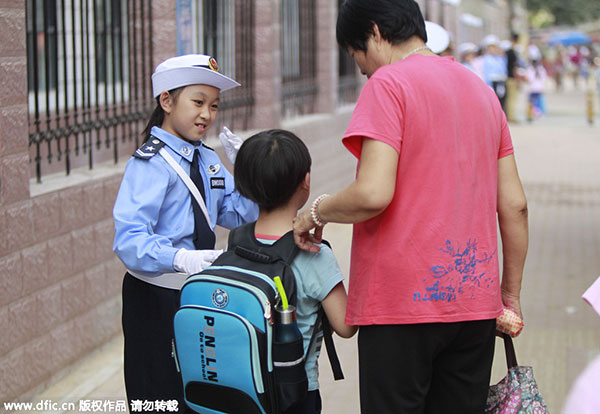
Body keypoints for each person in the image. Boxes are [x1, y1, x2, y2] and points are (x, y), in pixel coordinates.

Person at [293, 1, 529, 413]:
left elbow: (372, 194)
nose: (364, 70)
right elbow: (515, 205)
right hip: (475, 303)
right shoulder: (481, 90)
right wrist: (507, 295)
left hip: (400, 306)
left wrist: (316, 212)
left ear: (375, 33)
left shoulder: (388, 85)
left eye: (358, 56)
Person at [112, 54, 259, 412]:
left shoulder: (208, 159)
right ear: (166, 100)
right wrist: (178, 257)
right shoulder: (150, 163)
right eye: (197, 102)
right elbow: (129, 238)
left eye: (213, 105)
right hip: (155, 297)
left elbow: (237, 214)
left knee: (199, 393)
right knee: (158, 395)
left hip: (197, 293)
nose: (207, 115)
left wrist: (249, 175)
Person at [234, 129, 357, 414]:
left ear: (243, 185)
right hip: (294, 394)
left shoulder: (237, 240)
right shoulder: (315, 254)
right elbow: (347, 326)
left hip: (243, 387)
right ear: (306, 182)